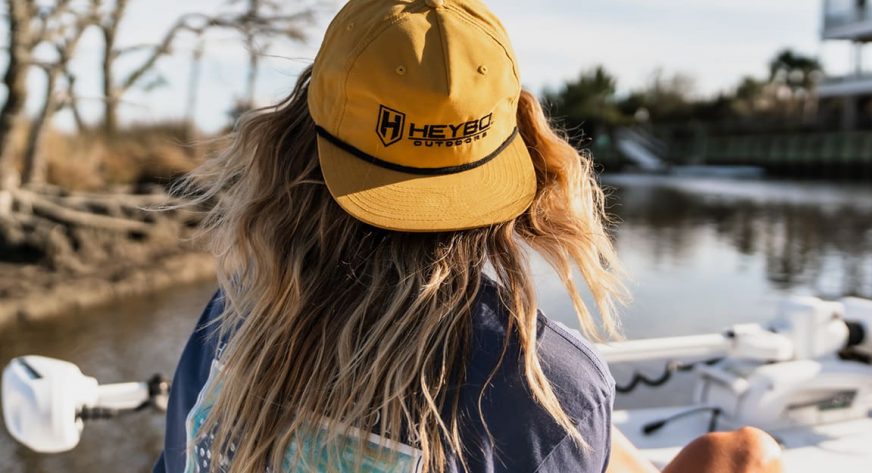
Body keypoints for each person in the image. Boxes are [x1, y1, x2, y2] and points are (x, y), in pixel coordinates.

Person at [153, 0, 783, 472]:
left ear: (295, 141)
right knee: (746, 454)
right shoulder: (545, 388)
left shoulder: (235, 313)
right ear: (523, 149)